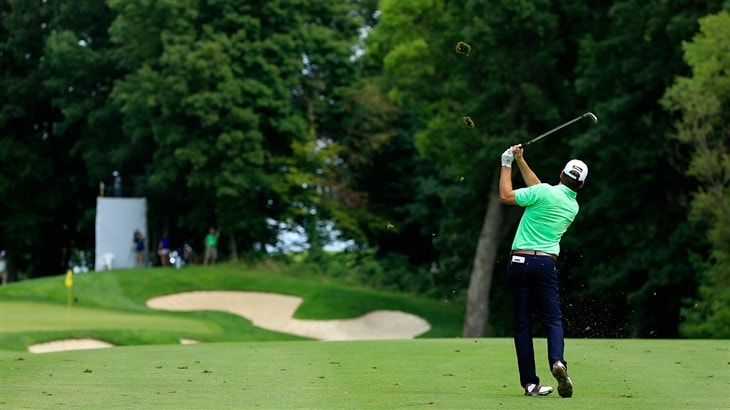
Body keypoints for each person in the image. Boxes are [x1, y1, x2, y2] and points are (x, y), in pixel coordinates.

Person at [499, 144, 587, 398]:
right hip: (546, 264)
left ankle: (530, 384)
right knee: (552, 320)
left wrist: (506, 163)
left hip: (519, 263)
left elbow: (506, 196)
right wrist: (520, 160)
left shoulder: (542, 192)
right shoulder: (572, 207)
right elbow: (540, 188)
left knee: (522, 324)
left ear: (561, 174)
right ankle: (558, 361)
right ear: (581, 185)